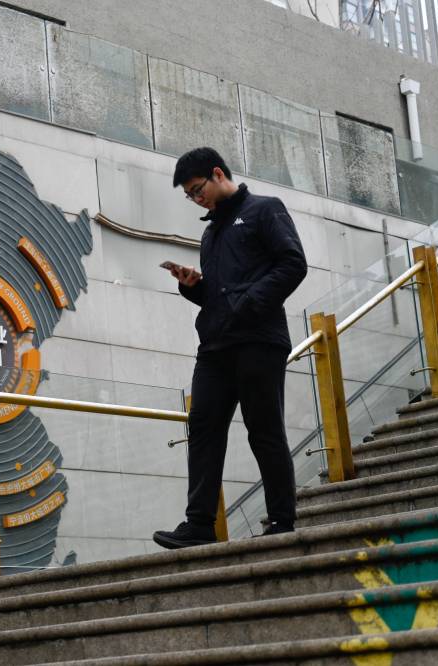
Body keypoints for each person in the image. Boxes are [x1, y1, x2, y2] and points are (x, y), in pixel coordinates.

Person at [154, 147, 307, 549]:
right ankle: (200, 523)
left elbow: (293, 264)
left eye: (197, 189)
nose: (195, 199)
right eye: (189, 195)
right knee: (202, 426)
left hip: (259, 339)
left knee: (264, 429)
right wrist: (194, 286)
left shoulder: (264, 210)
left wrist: (249, 302)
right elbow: (217, 296)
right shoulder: (211, 232)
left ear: (218, 174)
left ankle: (282, 520)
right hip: (216, 344)